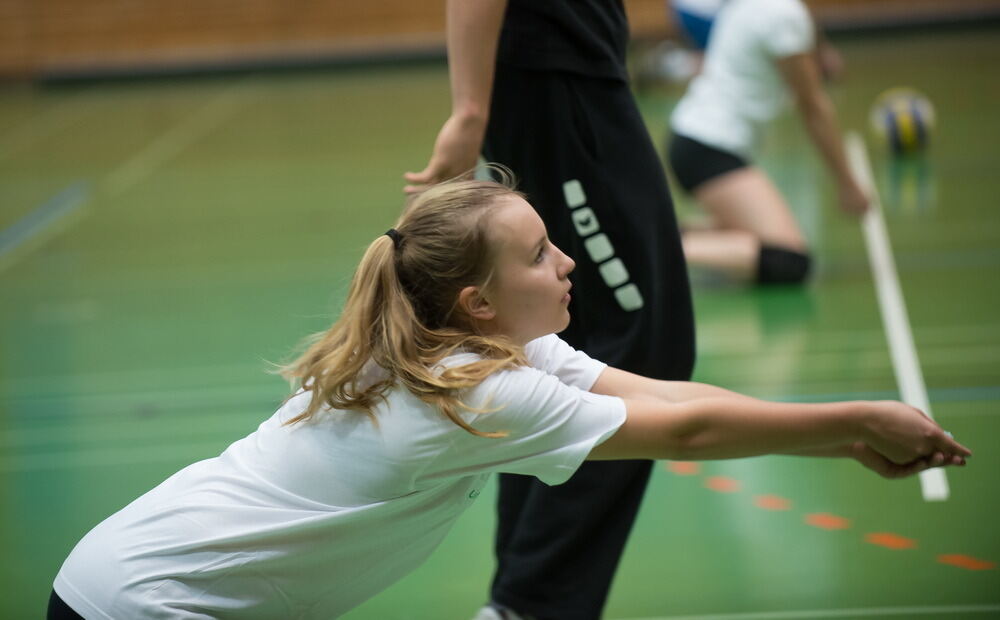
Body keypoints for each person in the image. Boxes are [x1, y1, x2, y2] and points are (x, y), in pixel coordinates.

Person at [49, 173, 970, 619]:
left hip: (123, 577)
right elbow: (683, 433)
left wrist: (841, 440)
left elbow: (663, 394)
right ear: (477, 301)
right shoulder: (474, 392)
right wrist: (860, 418)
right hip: (150, 603)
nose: (566, 263)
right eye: (538, 255)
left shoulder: (473, 347)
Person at [404, 2, 697, 618]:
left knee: (552, 344)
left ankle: (522, 596)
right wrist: (469, 110)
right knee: (638, 339)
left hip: (573, 76)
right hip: (559, 81)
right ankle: (530, 604)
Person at [668, 0, 864, 284]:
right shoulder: (780, 13)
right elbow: (813, 108)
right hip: (709, 147)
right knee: (788, 260)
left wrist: (821, 51)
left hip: (698, 139)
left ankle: (657, 236)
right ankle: (649, 249)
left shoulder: (760, 7)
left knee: (755, 237)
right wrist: (847, 183)